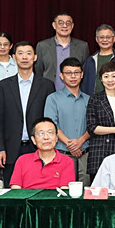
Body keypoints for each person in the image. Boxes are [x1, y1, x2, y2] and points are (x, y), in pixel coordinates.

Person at [0, 41, 56, 187]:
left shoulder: (47, 85)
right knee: (13, 191)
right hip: (11, 148)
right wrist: (0, 149)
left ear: (35, 57)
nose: (24, 57)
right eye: (20, 54)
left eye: (28, 53)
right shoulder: (4, 86)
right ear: (14, 57)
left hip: (39, 147)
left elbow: (50, 119)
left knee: (39, 188)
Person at [44, 57, 90, 185]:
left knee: (84, 191)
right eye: (68, 73)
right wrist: (70, 145)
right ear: (61, 76)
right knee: (63, 191)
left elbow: (93, 125)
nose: (73, 76)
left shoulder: (89, 99)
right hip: (61, 154)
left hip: (85, 155)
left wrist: (80, 141)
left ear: (82, 75)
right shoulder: (53, 99)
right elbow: (52, 125)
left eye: (76, 73)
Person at [9, 117, 76, 189]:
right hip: (26, 196)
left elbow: (65, 190)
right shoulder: (22, 160)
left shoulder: (67, 161)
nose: (46, 137)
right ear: (33, 140)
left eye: (50, 133)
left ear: (56, 138)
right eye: (41, 134)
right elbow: (15, 188)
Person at [85, 61, 115, 183]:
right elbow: (92, 128)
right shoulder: (95, 99)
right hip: (100, 152)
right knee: (98, 190)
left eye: (114, 76)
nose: (110, 80)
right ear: (101, 79)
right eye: (106, 76)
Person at [35, 12, 89, 91]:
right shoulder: (42, 46)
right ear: (54, 25)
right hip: (49, 93)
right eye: (61, 23)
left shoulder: (82, 46)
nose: (64, 26)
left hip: (74, 93)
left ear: (72, 26)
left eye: (68, 23)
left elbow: (85, 72)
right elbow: (38, 71)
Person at [81, 24, 115, 96]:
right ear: (97, 39)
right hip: (92, 100)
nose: (105, 40)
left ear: (114, 39)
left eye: (108, 37)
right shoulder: (90, 60)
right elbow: (85, 85)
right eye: (101, 37)